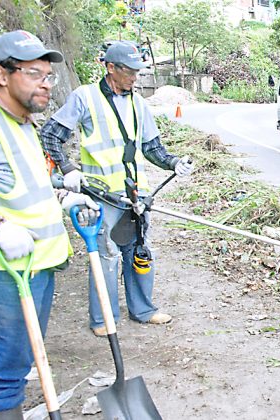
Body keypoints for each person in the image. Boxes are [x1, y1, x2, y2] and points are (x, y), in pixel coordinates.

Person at [0, 30, 99, 419]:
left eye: (48, 75)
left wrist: (65, 197)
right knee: (2, 375)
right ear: (2, 75)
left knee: (20, 364)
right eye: (34, 74)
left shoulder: (22, 121)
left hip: (34, 266)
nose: (46, 84)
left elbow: (25, 186)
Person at [40, 40, 195, 337]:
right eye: (130, 71)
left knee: (138, 249)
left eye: (138, 71)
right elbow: (50, 135)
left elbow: (151, 148)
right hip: (100, 194)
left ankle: (143, 309)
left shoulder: (138, 102)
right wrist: (68, 168)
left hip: (135, 193)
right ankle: (103, 318)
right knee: (106, 255)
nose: (135, 77)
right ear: (110, 68)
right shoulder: (85, 98)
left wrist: (174, 163)